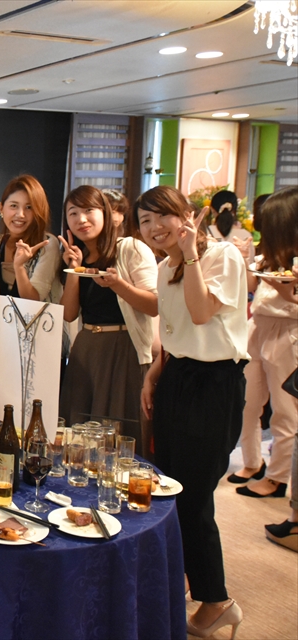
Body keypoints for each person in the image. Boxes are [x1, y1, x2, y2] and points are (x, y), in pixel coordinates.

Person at [138, 185, 248, 639]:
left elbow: (202, 314)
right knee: (169, 486)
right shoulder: (165, 267)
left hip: (214, 383)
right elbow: (174, 331)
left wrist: (191, 255)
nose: (154, 228)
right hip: (177, 377)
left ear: (186, 214)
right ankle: (183, 577)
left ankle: (217, 600)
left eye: (161, 216)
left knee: (195, 494)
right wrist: (154, 374)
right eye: (145, 221)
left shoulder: (222, 256)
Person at [57, 186, 158, 454]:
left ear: (105, 212)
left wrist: (117, 285)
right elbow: (68, 314)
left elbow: (154, 304)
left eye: (89, 210)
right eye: (73, 213)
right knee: (78, 431)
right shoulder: (78, 256)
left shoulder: (130, 248)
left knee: (117, 432)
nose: (81, 219)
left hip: (123, 348)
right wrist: (73, 269)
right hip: (86, 347)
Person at [228, 187, 298, 498]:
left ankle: (278, 477)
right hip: (257, 326)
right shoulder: (268, 256)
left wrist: (286, 292)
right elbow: (251, 286)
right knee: (248, 402)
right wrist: (246, 259)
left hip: (289, 331)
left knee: (284, 410)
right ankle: (252, 461)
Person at [0, 176, 62, 390]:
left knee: (37, 405)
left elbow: (33, 300)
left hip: (40, 342)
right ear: (1, 208)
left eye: (29, 207)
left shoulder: (47, 244)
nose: (20, 215)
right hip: (3, 339)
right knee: (5, 403)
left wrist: (19, 267)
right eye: (13, 206)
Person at [207, 189, 255, 264]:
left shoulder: (206, 233)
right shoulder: (246, 236)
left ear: (212, 210)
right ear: (235, 210)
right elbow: (250, 263)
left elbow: (193, 261)